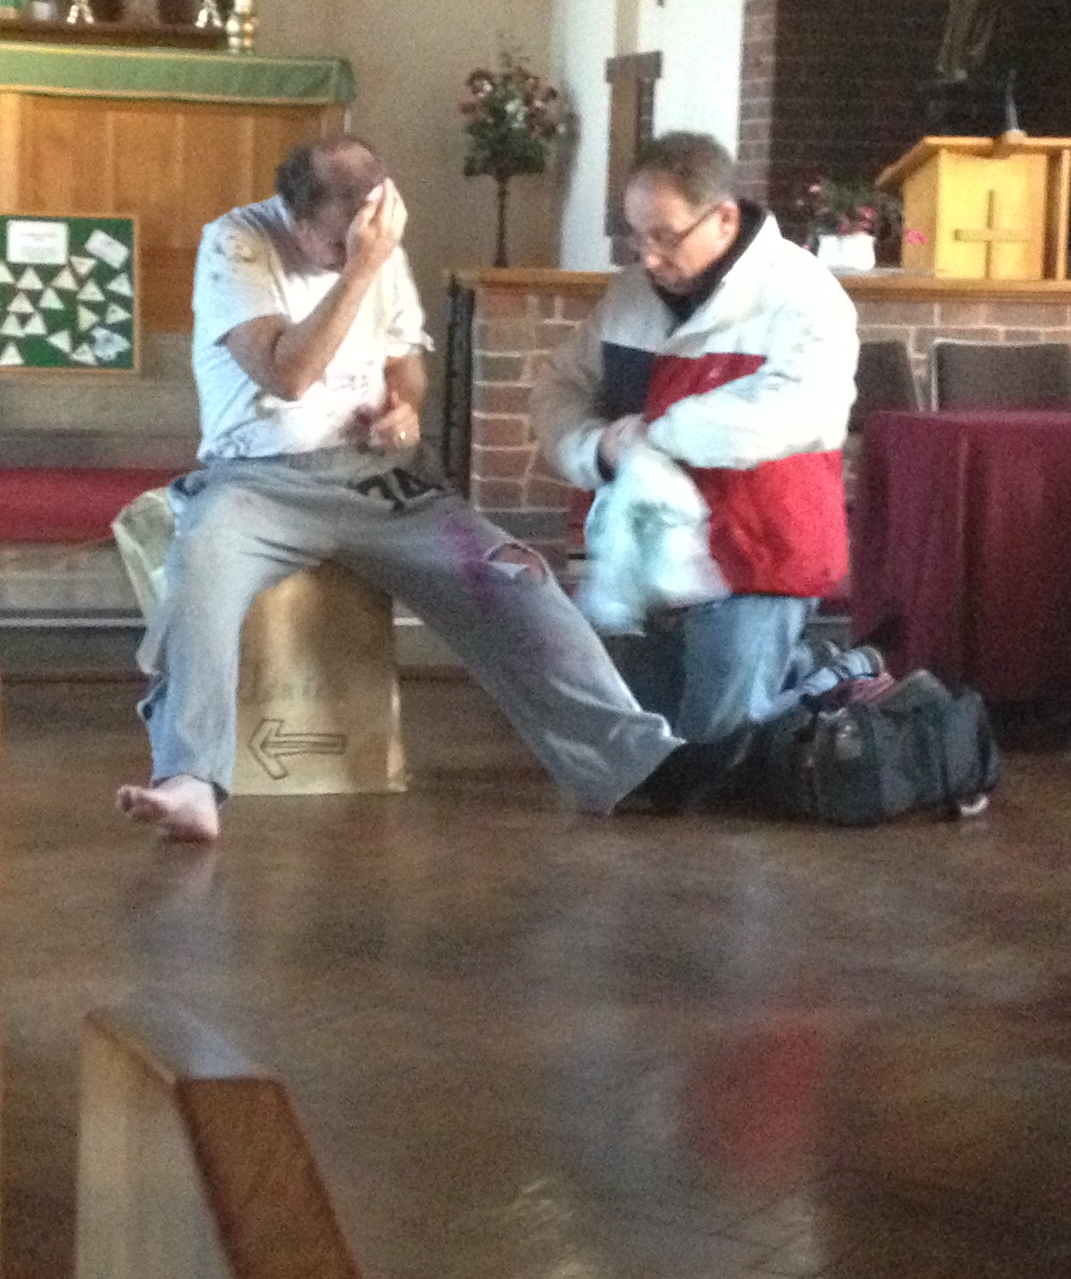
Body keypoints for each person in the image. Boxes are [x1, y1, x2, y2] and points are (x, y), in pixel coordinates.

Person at [120, 135, 682, 843]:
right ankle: (190, 780)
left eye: (365, 242)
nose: (353, 253)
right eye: (336, 244)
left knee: (516, 577)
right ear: (295, 216)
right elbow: (287, 375)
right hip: (258, 483)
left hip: (378, 481)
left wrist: (404, 410)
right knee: (200, 563)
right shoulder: (238, 243)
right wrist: (362, 265)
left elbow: (405, 364)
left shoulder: (378, 239)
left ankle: (631, 763)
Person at [532, 129, 864, 744]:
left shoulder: (801, 292)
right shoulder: (629, 296)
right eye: (637, 236)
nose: (648, 258)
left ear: (724, 218)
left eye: (665, 237)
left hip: (756, 558)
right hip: (639, 558)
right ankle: (794, 676)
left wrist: (663, 435)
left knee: (718, 747)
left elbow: (808, 409)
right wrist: (596, 448)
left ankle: (829, 678)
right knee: (629, 740)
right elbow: (560, 388)